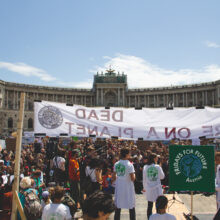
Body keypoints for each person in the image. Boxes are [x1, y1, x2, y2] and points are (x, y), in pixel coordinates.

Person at [113, 147, 136, 220]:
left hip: (119, 187)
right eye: (129, 153)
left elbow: (113, 176)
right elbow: (132, 178)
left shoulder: (116, 164)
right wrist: (134, 175)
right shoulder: (129, 164)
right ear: (126, 154)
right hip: (128, 188)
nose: (130, 154)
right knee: (131, 206)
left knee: (118, 206)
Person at [143, 153, 165, 219]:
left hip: (149, 188)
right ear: (154, 159)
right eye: (156, 157)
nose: (157, 159)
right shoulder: (157, 167)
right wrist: (160, 168)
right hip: (157, 188)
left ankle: (149, 218)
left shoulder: (145, 167)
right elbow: (162, 177)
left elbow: (144, 178)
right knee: (158, 205)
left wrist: (145, 188)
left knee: (149, 205)